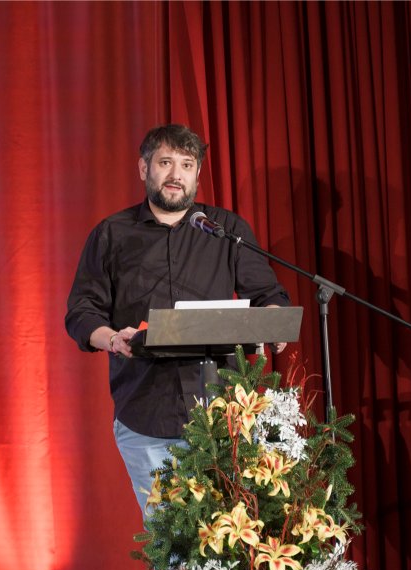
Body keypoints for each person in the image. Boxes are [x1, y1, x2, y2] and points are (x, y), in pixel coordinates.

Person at [65, 124, 290, 518]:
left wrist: (272, 323)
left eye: (187, 165)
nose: (176, 174)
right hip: (146, 416)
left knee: (230, 541)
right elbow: (82, 312)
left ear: (197, 173)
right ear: (144, 168)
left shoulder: (227, 231)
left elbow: (269, 295)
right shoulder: (111, 234)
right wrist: (112, 339)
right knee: (170, 542)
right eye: (165, 163)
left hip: (225, 416)